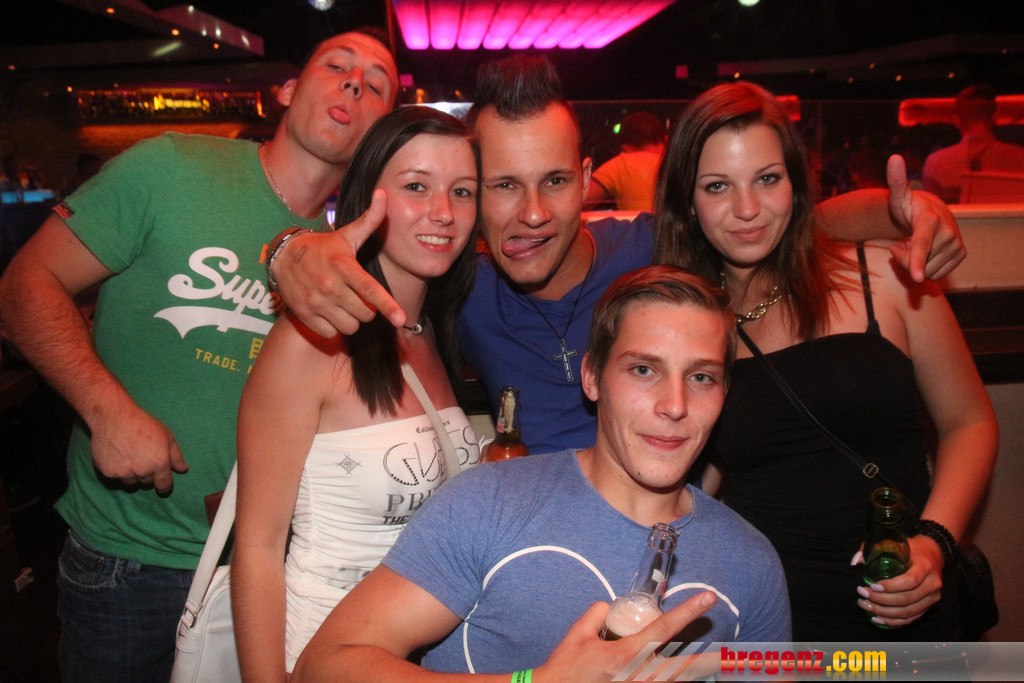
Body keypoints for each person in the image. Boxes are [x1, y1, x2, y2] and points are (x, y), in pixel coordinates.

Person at [269, 55, 966, 456]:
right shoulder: (460, 286)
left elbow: (783, 223)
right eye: (503, 186)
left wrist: (907, 209)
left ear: (587, 179)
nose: (533, 213)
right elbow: (364, 257)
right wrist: (288, 251)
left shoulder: (657, 250)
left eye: (554, 182)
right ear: (472, 193)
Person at [0, 29, 398, 681]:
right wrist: (107, 411)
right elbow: (24, 285)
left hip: (265, 570)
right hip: (131, 559)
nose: (355, 82)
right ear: (287, 91)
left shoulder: (346, 257)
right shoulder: (173, 167)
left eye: (376, 84)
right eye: (337, 66)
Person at [291, 266, 790, 682]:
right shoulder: (490, 503)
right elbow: (325, 665)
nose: (675, 405)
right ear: (592, 377)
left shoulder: (751, 563)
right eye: (643, 370)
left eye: (701, 377)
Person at [654, 81, 998, 641]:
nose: (747, 209)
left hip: (907, 604)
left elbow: (970, 422)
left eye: (768, 179)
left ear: (795, 183)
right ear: (688, 203)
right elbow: (703, 470)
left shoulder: (884, 277)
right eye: (717, 186)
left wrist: (935, 544)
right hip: (771, 619)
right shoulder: (689, 323)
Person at [231, 105, 483, 680]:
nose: (444, 212)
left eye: (463, 192)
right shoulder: (311, 340)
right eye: (416, 186)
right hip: (316, 653)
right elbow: (259, 548)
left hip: (414, 656)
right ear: (368, 196)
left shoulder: (431, 330)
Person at [922, 84, 1024, 203]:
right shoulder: (1020, 157)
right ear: (994, 117)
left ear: (957, 119)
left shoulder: (936, 162)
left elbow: (931, 209)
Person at [585, 110, 666, 212]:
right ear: (663, 139)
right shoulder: (673, 162)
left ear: (625, 147)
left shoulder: (622, 163)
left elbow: (580, 200)